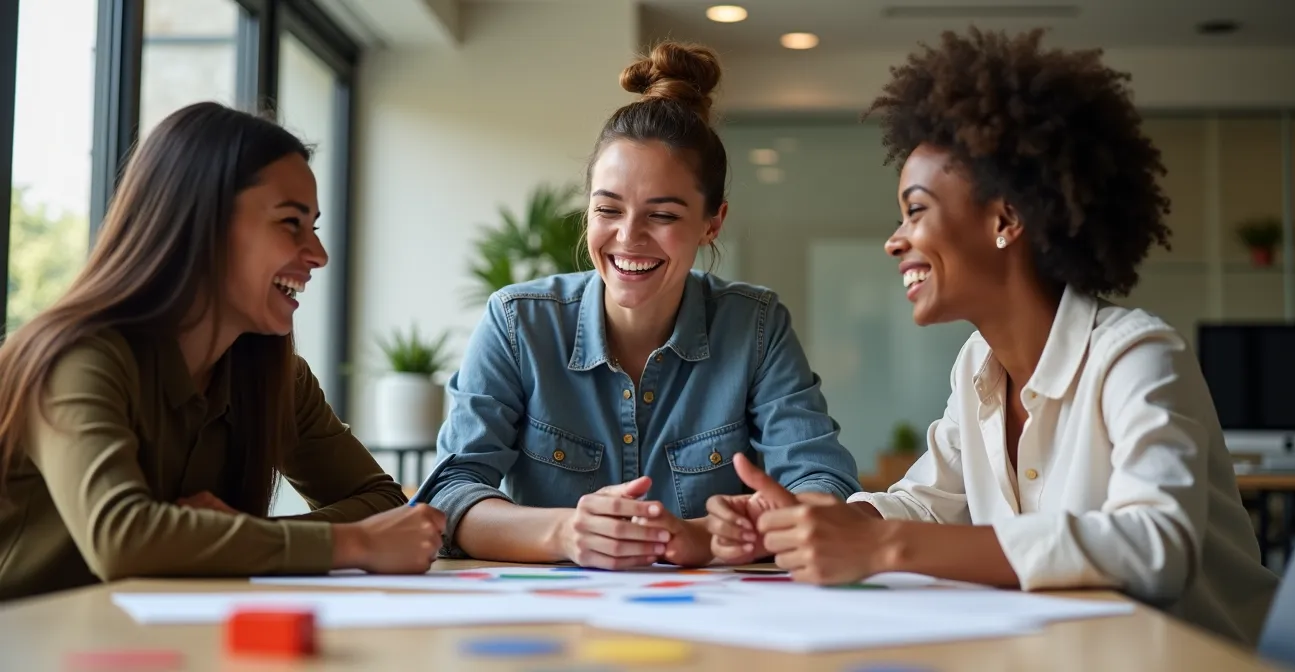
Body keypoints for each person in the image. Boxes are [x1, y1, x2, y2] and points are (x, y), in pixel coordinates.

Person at [706, 28, 1279, 646]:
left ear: (1005, 219)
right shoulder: (977, 366)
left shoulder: (1136, 356)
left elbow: (1155, 545)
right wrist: (821, 521)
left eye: (916, 209)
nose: (894, 240)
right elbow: (930, 501)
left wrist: (883, 545)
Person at [424, 41, 861, 570]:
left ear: (712, 222)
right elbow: (449, 493)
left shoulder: (756, 326)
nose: (628, 238)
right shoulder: (518, 322)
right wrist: (566, 532)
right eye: (608, 209)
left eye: (663, 216)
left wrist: (706, 536)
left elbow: (825, 486)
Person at [0, 102, 445, 602]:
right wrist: (353, 542)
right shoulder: (76, 357)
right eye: (290, 223)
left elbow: (381, 501)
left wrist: (234, 537)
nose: (318, 255)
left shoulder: (276, 374)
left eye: (314, 227)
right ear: (201, 223)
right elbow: (122, 538)